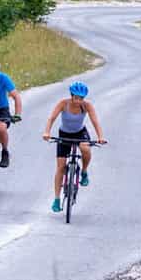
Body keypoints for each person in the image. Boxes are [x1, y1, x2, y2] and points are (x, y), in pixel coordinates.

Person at [42, 81, 107, 213]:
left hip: (80, 133)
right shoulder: (63, 104)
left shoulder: (87, 106)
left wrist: (100, 136)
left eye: (81, 98)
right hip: (64, 133)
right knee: (60, 167)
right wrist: (47, 132)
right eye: (76, 98)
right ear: (71, 96)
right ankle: (56, 199)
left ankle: (83, 171)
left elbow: (95, 121)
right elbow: (51, 118)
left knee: (85, 148)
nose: (78, 101)